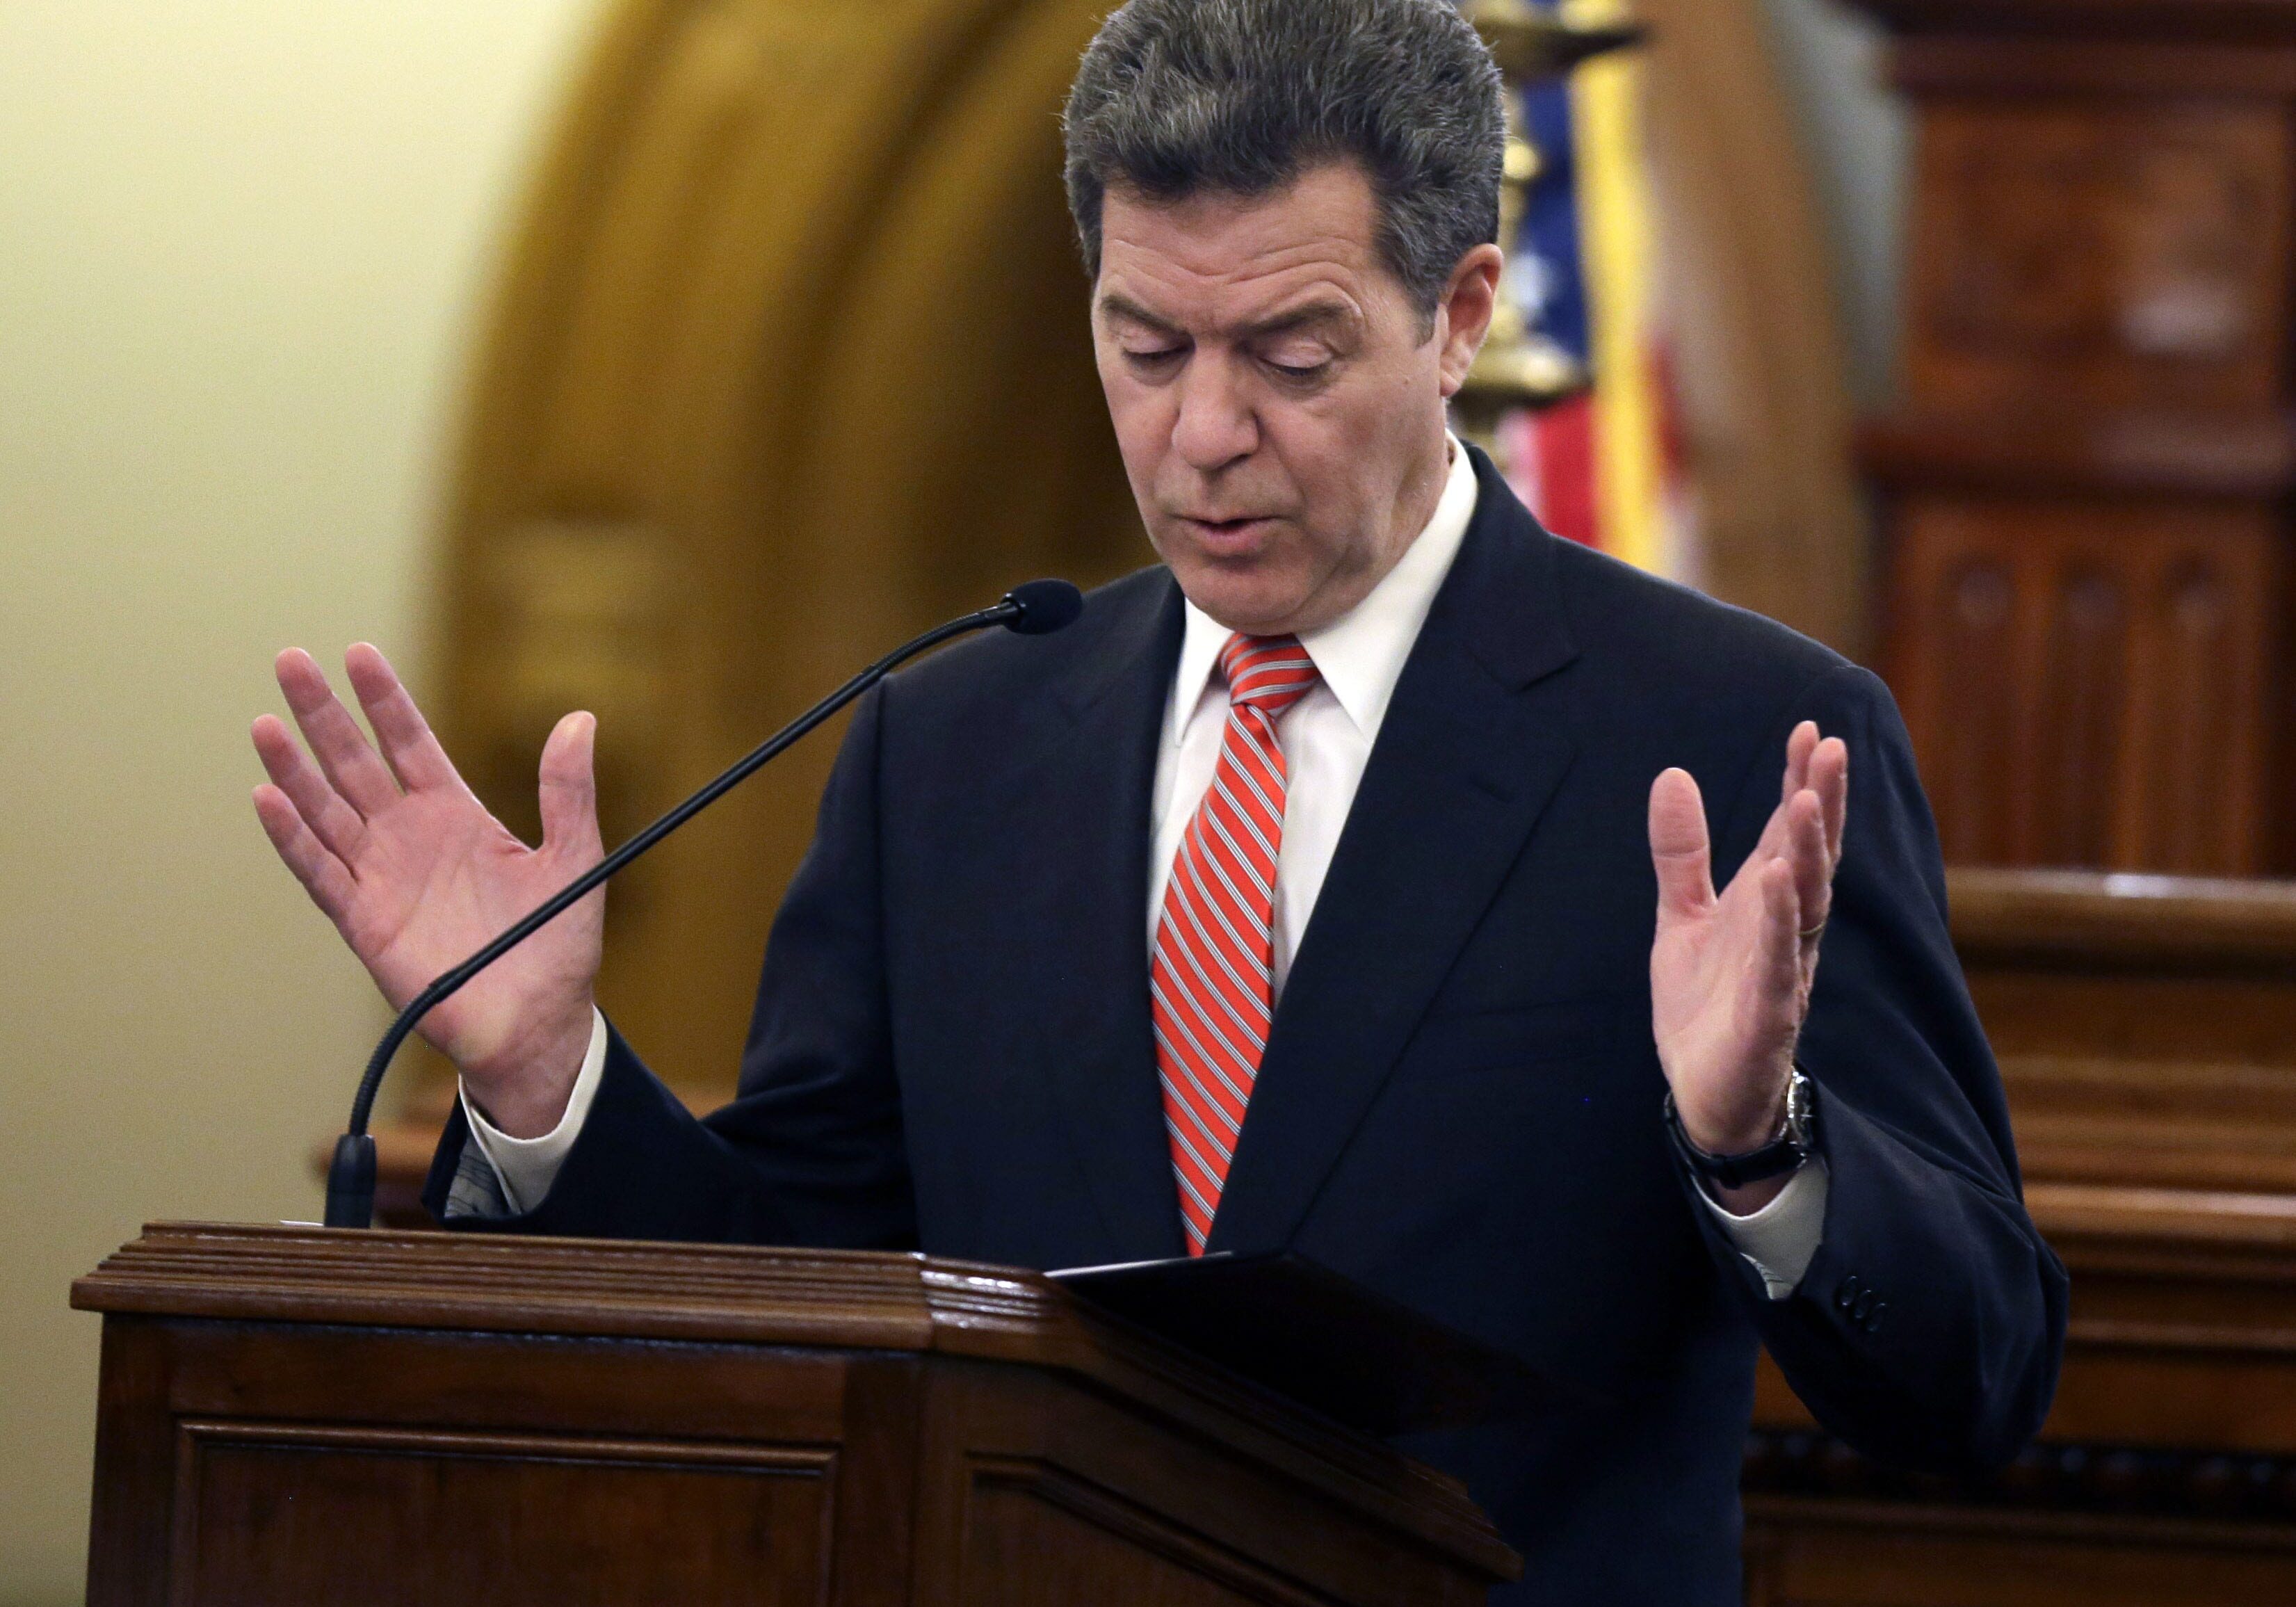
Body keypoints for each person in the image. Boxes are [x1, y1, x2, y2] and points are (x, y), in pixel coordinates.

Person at [249, 0, 2066, 1598]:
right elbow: (797, 1298)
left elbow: (1977, 1382)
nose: (1203, 435)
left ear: (1459, 318)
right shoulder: (949, 743)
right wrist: (546, 1081)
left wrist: (1764, 1151)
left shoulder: (1736, 739)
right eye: (1145, 348)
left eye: (1290, 357)